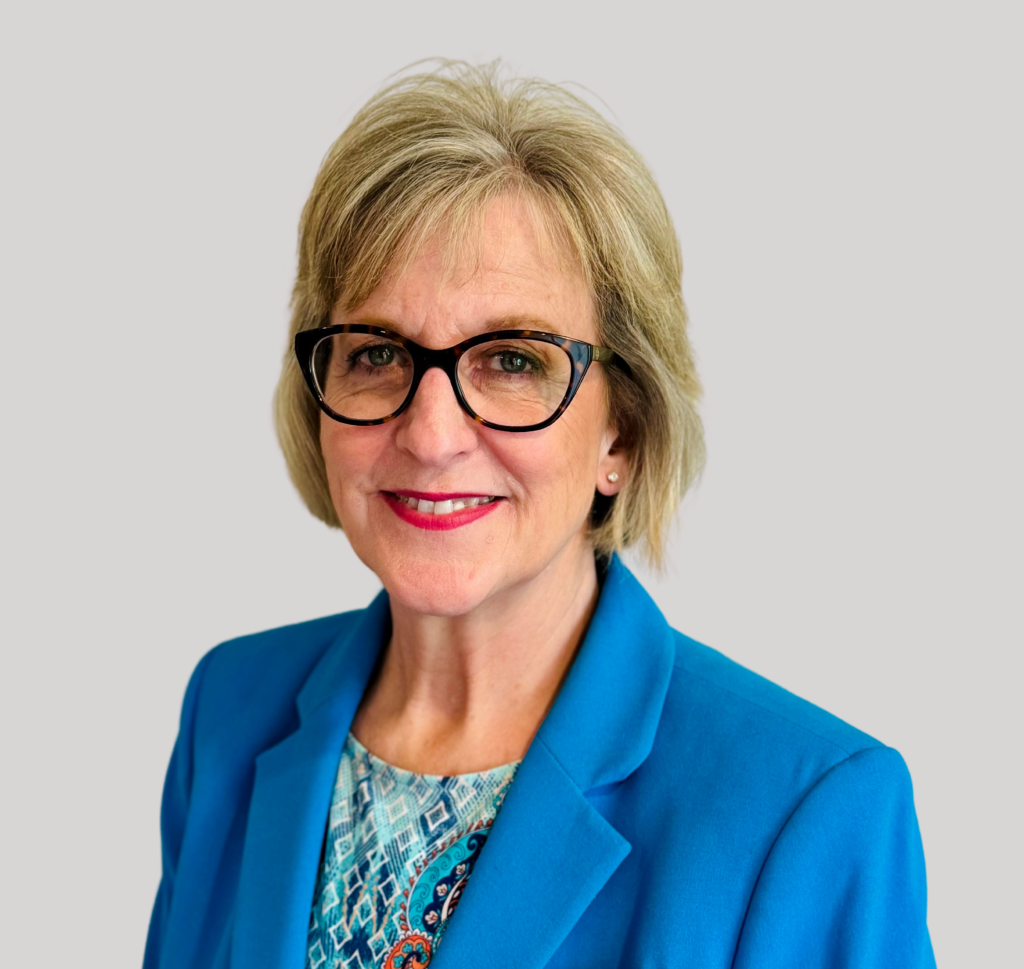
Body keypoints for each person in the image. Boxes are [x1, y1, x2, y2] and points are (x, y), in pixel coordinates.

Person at [143, 62, 935, 969]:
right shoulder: (229, 711)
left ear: (622, 429)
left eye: (513, 361)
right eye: (377, 353)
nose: (430, 433)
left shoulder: (807, 813)